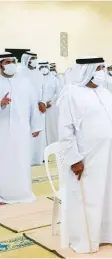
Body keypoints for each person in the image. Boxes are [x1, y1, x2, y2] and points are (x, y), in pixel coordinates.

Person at [58, 56, 112, 254]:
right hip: (86, 158)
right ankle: (87, 239)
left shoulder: (105, 93)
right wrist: (74, 159)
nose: (101, 71)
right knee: (89, 198)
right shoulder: (71, 94)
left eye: (103, 67)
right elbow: (65, 130)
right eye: (97, 67)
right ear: (85, 70)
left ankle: (110, 233)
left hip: (110, 154)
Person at [0, 52, 42, 205]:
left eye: (12, 61)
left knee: (21, 160)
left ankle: (21, 192)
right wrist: (1, 104)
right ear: (0, 65)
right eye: (7, 62)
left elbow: (33, 105)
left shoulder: (24, 82)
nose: (10, 64)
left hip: (22, 131)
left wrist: (36, 125)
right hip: (2, 131)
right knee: (3, 161)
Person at [20, 51, 46, 165]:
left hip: (39, 108)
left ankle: (38, 158)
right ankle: (27, 159)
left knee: (38, 134)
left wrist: (43, 102)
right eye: (32, 58)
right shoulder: (20, 72)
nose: (34, 60)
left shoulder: (39, 73)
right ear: (26, 59)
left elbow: (44, 88)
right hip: (25, 108)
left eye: (36, 58)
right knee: (27, 133)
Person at [39, 61, 61, 146]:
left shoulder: (54, 80)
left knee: (52, 128)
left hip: (52, 108)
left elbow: (58, 92)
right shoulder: (37, 80)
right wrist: (42, 103)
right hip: (40, 108)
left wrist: (50, 102)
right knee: (42, 129)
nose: (44, 69)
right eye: (41, 67)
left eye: (45, 66)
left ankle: (53, 148)